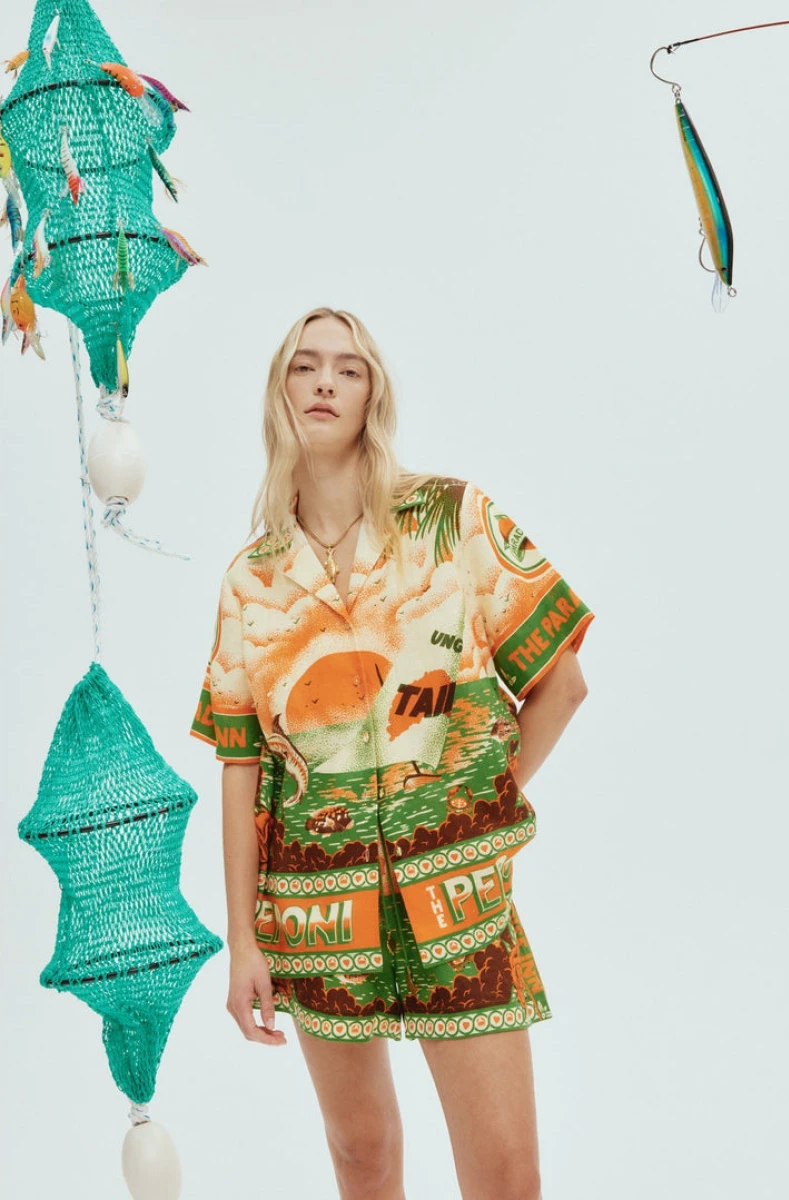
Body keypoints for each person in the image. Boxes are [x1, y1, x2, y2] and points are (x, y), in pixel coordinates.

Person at [189, 306, 594, 1200]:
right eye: (304, 366)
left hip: (458, 904)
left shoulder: (453, 520)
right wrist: (243, 941)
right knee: (360, 1158)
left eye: (348, 368)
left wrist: (474, 808)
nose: (324, 382)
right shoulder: (252, 580)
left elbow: (562, 684)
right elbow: (240, 765)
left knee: (507, 1176)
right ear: (279, 393)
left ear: (374, 394)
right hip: (316, 913)